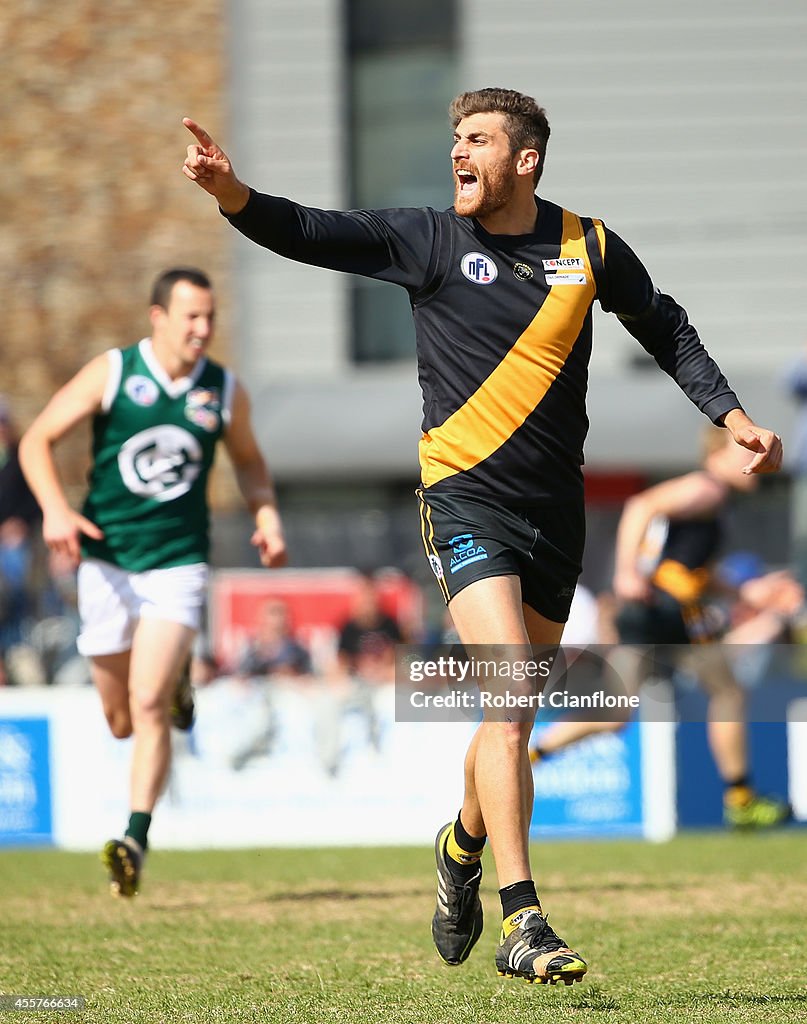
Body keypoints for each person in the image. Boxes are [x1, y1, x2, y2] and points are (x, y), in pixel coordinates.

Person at [181, 88, 782, 984]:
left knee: (518, 711)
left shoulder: (589, 246)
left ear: (524, 159)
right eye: (453, 139)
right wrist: (232, 192)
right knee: (507, 698)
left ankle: (458, 846)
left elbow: (663, 325)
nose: (456, 151)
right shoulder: (426, 238)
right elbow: (309, 231)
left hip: (556, 516)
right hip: (463, 504)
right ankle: (524, 919)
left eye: (476, 139)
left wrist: (730, 416)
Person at [19, 267, 287, 897]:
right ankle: (176, 682)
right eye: (191, 317)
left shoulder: (222, 390)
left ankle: (134, 837)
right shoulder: (114, 372)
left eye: (211, 318)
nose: (203, 329)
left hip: (178, 564)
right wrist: (56, 510)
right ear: (158, 317)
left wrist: (267, 513)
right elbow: (37, 441)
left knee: (146, 703)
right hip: (107, 562)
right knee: (119, 719)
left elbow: (249, 462)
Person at [532, 430, 790, 828]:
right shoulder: (707, 489)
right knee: (728, 693)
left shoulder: (714, 501)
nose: (758, 462)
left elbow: (692, 565)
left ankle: (531, 755)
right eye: (746, 451)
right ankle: (740, 801)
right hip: (669, 609)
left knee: (615, 713)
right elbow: (641, 505)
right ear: (718, 456)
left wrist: (747, 589)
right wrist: (625, 572)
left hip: (652, 609)